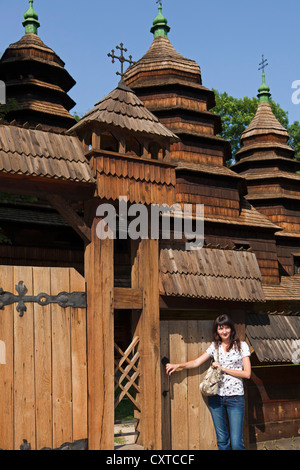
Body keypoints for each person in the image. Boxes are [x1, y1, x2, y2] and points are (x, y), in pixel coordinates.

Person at [166, 314, 251, 450]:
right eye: (220, 328)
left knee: (236, 443)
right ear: (216, 331)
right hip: (216, 398)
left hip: (235, 399)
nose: (224, 331)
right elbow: (196, 362)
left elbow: (247, 373)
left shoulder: (242, 346)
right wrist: (177, 365)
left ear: (231, 328)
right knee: (222, 441)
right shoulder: (214, 347)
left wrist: (222, 368)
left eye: (226, 328)